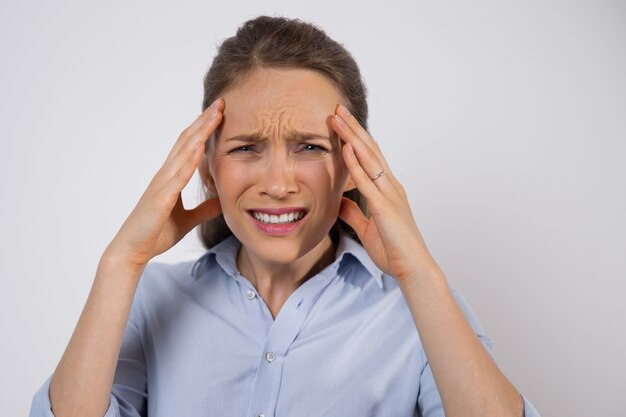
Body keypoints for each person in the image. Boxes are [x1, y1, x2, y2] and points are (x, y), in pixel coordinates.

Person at [29, 15, 540, 417]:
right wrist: (121, 261)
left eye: (310, 147)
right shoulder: (150, 299)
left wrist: (419, 275)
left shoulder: (420, 309)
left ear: (353, 166)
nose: (277, 184)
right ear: (206, 170)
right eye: (246, 147)